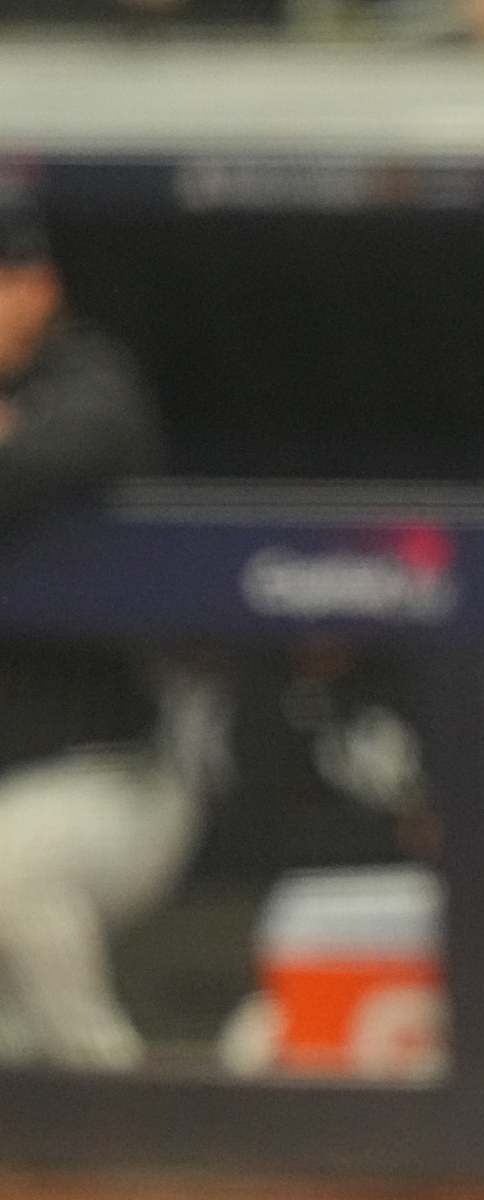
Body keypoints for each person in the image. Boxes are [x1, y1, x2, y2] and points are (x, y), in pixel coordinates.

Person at [0, 202, 193, 1072]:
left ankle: (107, 1088)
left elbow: (56, 454)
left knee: (10, 861)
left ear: (37, 286)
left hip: (110, 777)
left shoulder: (89, 376)